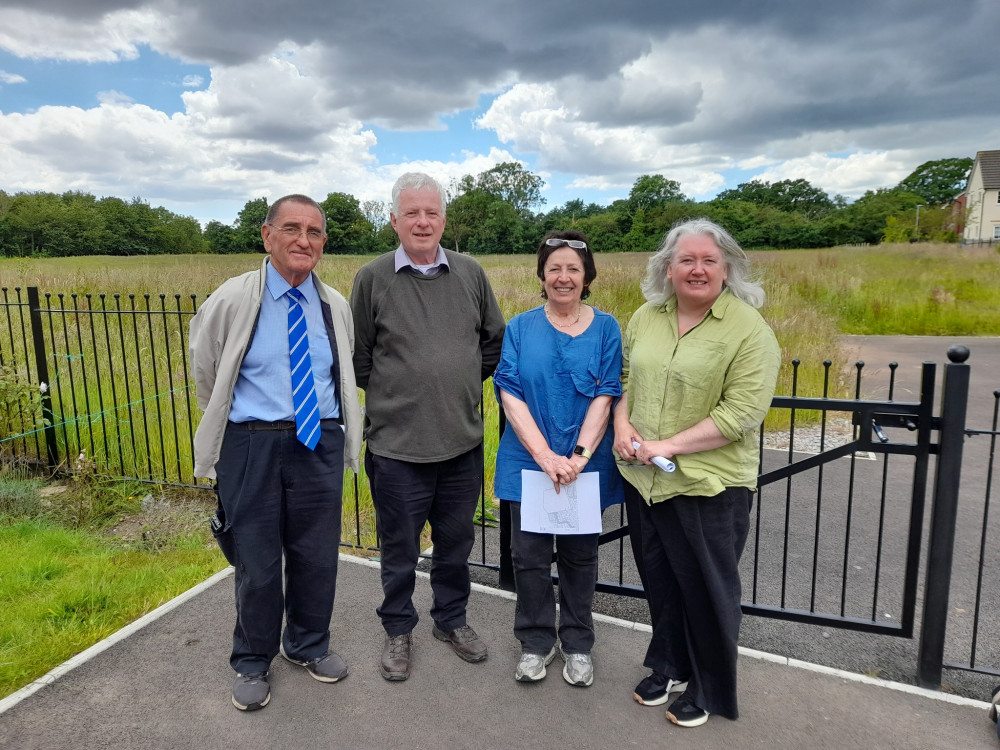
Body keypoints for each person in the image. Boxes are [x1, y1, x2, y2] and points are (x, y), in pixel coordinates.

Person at [189, 194, 362, 711]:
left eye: (313, 232)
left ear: (323, 244)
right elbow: (206, 370)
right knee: (257, 560)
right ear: (267, 236)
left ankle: (307, 644)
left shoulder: (334, 304)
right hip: (251, 442)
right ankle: (252, 658)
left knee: (315, 554)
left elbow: (342, 371)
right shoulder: (233, 298)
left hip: (318, 439)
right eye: (291, 229)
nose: (302, 240)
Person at [613, 217, 780, 728]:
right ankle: (669, 666)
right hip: (646, 481)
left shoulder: (750, 330)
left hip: (710, 485)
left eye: (709, 260)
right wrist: (622, 427)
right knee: (662, 584)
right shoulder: (646, 316)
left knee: (707, 591)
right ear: (667, 267)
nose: (698, 269)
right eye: (687, 259)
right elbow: (624, 379)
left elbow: (740, 414)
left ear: (727, 268)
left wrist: (668, 444)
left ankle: (708, 689)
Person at [351, 172, 506, 681]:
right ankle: (398, 629)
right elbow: (360, 359)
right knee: (399, 551)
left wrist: (454, 382)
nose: (423, 222)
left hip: (460, 445)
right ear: (393, 219)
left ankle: (451, 621)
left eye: (431, 212)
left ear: (444, 218)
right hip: (398, 449)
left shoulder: (470, 273)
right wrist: (403, 396)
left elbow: (493, 344)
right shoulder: (372, 278)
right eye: (412, 213)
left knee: (456, 546)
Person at [493, 230, 624, 687]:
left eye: (573, 269)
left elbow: (607, 393)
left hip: (583, 465)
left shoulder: (607, 327)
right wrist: (547, 455)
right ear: (542, 275)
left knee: (579, 558)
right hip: (527, 460)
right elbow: (509, 391)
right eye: (554, 269)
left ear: (587, 275)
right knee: (527, 558)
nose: (563, 277)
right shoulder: (520, 327)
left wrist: (579, 457)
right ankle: (534, 642)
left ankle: (577, 643)